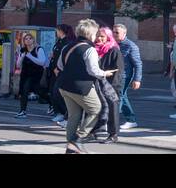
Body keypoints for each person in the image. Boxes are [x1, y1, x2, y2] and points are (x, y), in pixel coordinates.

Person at [56, 20, 108, 153]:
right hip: (81, 87)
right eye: (95, 33)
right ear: (91, 34)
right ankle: (77, 140)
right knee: (96, 109)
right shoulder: (89, 49)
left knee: (74, 115)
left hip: (64, 86)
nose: (96, 36)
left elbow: (60, 66)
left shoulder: (67, 46)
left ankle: (70, 147)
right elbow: (93, 71)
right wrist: (105, 73)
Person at [91, 25, 122, 142]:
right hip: (96, 84)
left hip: (110, 85)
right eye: (98, 36)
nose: (99, 38)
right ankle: (93, 131)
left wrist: (113, 87)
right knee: (95, 108)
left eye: (102, 36)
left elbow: (118, 70)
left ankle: (113, 134)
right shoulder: (94, 49)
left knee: (112, 110)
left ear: (108, 37)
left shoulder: (113, 50)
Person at [113, 24, 143, 130]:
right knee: (122, 96)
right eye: (114, 32)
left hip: (124, 75)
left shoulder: (131, 46)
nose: (114, 34)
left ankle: (111, 122)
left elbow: (138, 64)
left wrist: (137, 79)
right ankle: (131, 120)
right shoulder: (112, 44)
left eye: (117, 32)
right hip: (113, 75)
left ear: (124, 33)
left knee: (118, 97)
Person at [14, 32, 48, 120]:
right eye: (26, 39)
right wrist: (21, 57)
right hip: (25, 74)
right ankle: (22, 111)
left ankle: (52, 104)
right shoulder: (23, 50)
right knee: (24, 91)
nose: (28, 40)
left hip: (36, 75)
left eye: (30, 38)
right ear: (24, 41)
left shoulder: (38, 49)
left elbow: (42, 62)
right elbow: (18, 65)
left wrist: (30, 56)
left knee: (39, 92)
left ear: (33, 40)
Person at [44, 24, 73, 125]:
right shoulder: (59, 41)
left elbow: (64, 57)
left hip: (59, 71)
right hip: (53, 71)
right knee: (52, 92)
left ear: (61, 31)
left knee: (58, 93)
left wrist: (59, 68)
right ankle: (58, 112)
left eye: (57, 30)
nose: (56, 32)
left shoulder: (67, 42)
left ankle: (63, 112)